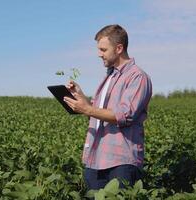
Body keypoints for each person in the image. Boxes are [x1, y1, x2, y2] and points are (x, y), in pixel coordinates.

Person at [64, 24, 152, 190]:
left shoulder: (137, 77)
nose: (99, 54)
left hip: (121, 161)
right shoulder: (110, 77)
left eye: (103, 50)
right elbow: (99, 114)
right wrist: (81, 98)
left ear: (119, 48)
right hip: (96, 158)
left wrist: (87, 109)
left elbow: (125, 115)